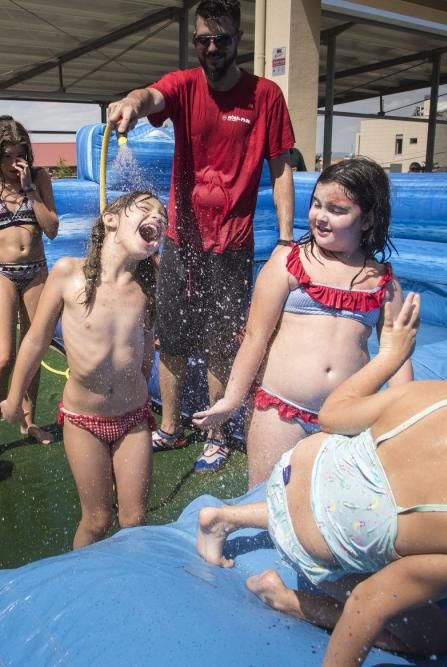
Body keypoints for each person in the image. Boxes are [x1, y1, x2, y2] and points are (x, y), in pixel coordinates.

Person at [195, 314, 447, 665]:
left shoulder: (442, 396)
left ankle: (225, 516)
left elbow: (333, 416)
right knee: (435, 637)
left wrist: (389, 356)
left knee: (365, 487)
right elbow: (369, 601)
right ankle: (284, 597)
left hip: (295, 475)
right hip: (311, 546)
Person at [107, 0, 296, 473]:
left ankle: (215, 434)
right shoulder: (185, 86)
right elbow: (151, 96)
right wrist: (131, 102)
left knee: (219, 343)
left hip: (232, 245)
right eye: (203, 41)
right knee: (170, 339)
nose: (212, 49)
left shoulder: (266, 96)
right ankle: (170, 429)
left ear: (238, 40)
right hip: (181, 241)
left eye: (222, 40)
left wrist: (287, 239)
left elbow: (281, 170)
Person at [193, 158, 410, 487]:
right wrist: (232, 400)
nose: (320, 217)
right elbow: (255, 338)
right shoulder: (289, 263)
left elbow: (396, 359)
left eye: (336, 210)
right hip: (281, 411)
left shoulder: (383, 283)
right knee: (265, 498)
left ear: (366, 220)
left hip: (347, 416)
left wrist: (407, 419)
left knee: (328, 509)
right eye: (316, 204)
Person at [0, 192, 166, 548]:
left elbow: (145, 355)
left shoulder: (146, 287)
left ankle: (130, 588)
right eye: (148, 209)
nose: (158, 218)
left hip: (133, 418)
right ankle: (84, 584)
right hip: (83, 420)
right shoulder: (68, 274)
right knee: (96, 519)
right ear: (110, 220)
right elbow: (35, 341)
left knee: (134, 519)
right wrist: (15, 398)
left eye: (162, 216)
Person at [0, 119, 59, 458]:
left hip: (36, 272)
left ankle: (28, 421)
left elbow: (51, 229)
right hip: (1, 274)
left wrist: (30, 191)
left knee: (33, 352)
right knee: (4, 356)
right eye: (8, 156)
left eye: (21, 155)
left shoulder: (39, 178)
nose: (14, 163)